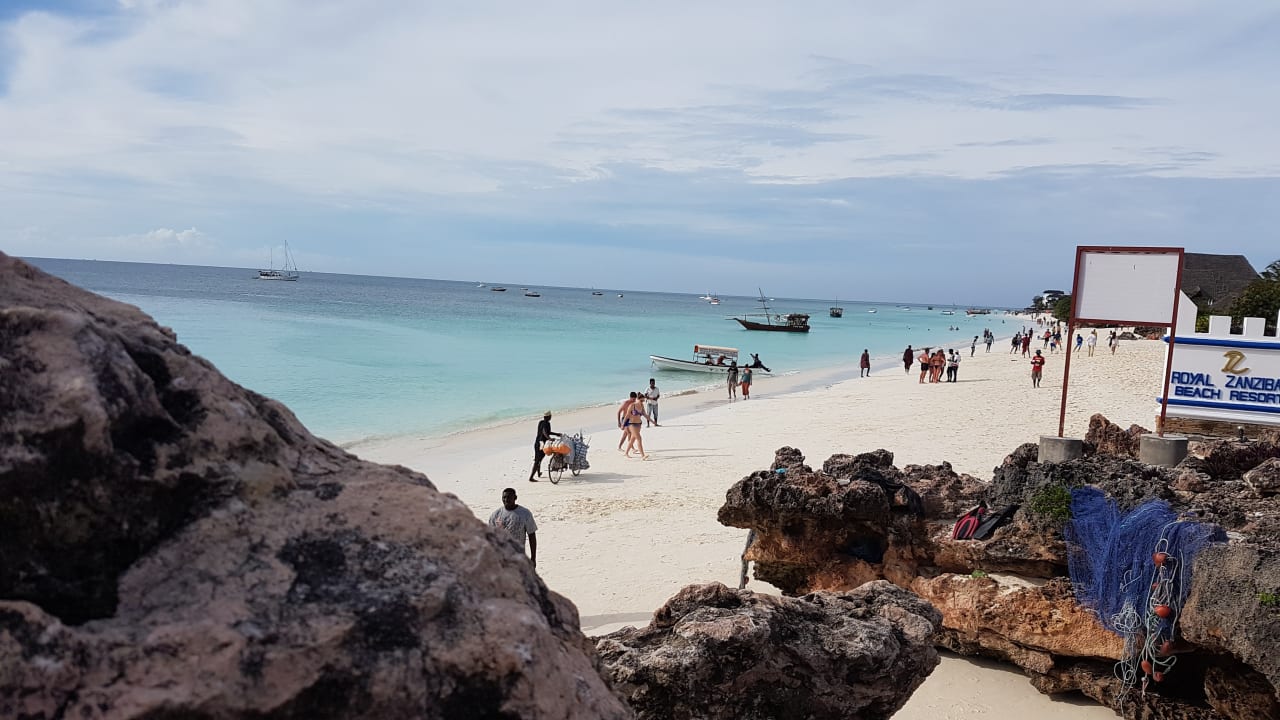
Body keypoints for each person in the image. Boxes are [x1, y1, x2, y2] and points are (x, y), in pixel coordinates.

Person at [489, 488, 537, 567]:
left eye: (509, 497)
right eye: (504, 497)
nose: (506, 500)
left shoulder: (525, 513)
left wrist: (533, 558)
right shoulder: (495, 515)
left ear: (515, 498)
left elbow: (532, 535)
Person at [528, 411, 561, 482]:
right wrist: (549, 438)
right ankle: (531, 477)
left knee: (539, 458)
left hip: (537, 443)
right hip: (542, 443)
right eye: (550, 416)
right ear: (549, 417)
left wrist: (556, 434)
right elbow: (544, 432)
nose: (550, 417)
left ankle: (538, 473)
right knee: (537, 460)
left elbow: (547, 432)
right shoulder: (547, 423)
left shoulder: (541, 422)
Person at [622, 392, 650, 459]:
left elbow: (645, 414)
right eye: (641, 400)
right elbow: (627, 415)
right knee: (639, 438)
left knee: (632, 439)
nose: (642, 402)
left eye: (643, 401)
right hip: (631, 424)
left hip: (639, 424)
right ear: (638, 399)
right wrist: (623, 424)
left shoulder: (642, 405)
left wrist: (652, 421)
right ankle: (643, 455)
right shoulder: (632, 405)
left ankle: (626, 453)